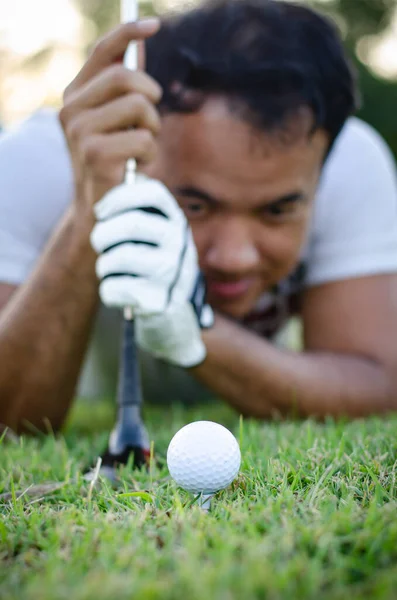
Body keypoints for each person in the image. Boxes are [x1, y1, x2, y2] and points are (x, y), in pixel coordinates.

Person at [1, 0, 397, 434]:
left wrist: (195, 331)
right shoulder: (37, 164)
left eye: (277, 211)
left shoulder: (352, 163)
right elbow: (10, 418)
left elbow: (377, 385)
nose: (234, 257)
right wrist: (89, 210)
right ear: (141, 139)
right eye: (196, 206)